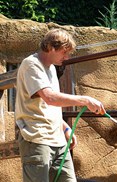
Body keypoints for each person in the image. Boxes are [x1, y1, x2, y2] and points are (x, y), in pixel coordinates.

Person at [15, 28, 106, 182]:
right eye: (64, 52)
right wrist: (85, 100)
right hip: (37, 139)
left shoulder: (51, 68)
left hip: (58, 141)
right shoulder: (31, 64)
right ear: (51, 48)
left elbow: (48, 107)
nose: (67, 57)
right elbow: (50, 98)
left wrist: (65, 128)